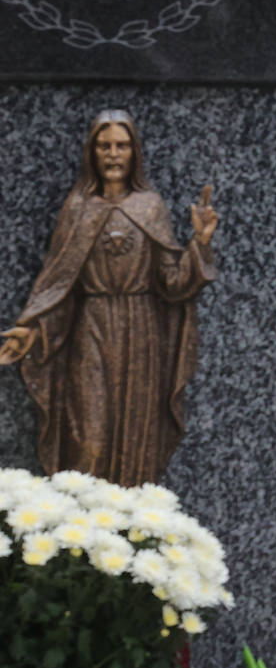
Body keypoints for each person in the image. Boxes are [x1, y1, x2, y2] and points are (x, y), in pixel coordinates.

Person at [0, 111, 218, 486]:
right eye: (104, 146)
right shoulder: (78, 208)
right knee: (90, 435)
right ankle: (82, 530)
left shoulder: (149, 206)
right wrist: (34, 331)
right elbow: (61, 285)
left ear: (134, 152)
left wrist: (198, 243)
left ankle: (126, 528)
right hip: (92, 328)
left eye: (122, 145)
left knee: (136, 434)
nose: (113, 154)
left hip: (139, 331)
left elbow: (172, 283)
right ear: (92, 152)